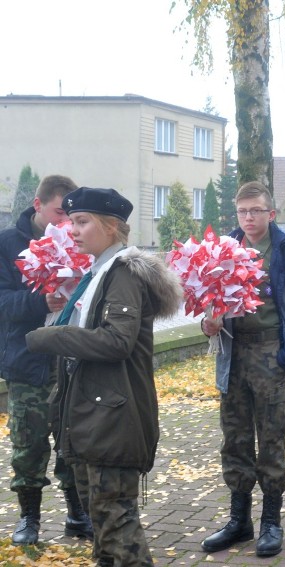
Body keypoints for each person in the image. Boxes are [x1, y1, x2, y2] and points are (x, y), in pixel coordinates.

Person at [25, 187, 183, 566]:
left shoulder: (122, 273)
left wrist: (55, 336)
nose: (72, 230)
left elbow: (117, 341)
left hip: (111, 417)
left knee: (116, 522)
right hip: (95, 416)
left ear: (112, 227)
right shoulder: (100, 272)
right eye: (71, 221)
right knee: (104, 525)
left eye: (82, 222)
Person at [199, 181, 285, 557]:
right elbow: (208, 298)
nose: (249, 218)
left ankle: (271, 522)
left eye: (256, 210)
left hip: (271, 351)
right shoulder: (224, 249)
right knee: (235, 437)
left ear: (271, 213)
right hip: (233, 352)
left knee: (271, 438)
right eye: (243, 211)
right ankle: (239, 520)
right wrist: (208, 323)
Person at [0, 175, 93, 545]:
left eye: (71, 216)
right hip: (27, 363)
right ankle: (29, 518)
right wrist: (42, 302)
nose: (65, 224)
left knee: (72, 441)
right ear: (38, 205)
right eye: (59, 213)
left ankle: (76, 512)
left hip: (69, 361)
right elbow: (3, 303)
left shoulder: (79, 242)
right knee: (29, 444)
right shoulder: (8, 244)